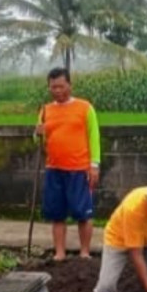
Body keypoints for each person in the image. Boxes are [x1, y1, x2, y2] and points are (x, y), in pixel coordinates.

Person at [35, 67, 101, 261]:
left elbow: (94, 137)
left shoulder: (85, 108)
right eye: (53, 87)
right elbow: (38, 140)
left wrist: (94, 164)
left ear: (69, 86)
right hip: (54, 168)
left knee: (83, 213)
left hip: (79, 169)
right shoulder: (46, 110)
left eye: (61, 86)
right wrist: (37, 133)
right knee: (57, 214)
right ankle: (60, 252)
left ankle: (85, 252)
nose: (57, 91)